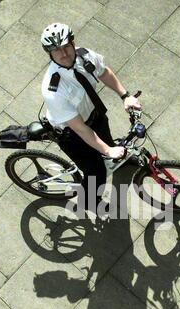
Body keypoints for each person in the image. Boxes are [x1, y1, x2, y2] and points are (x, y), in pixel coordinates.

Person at [41, 23, 141, 212]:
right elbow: (80, 128)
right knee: (96, 171)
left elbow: (104, 72)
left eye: (66, 46)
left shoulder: (84, 55)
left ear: (73, 43)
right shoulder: (53, 89)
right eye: (56, 51)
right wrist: (107, 150)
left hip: (94, 114)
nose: (63, 54)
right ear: (50, 54)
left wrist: (125, 96)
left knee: (110, 143)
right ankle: (90, 201)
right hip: (71, 133)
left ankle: (115, 157)